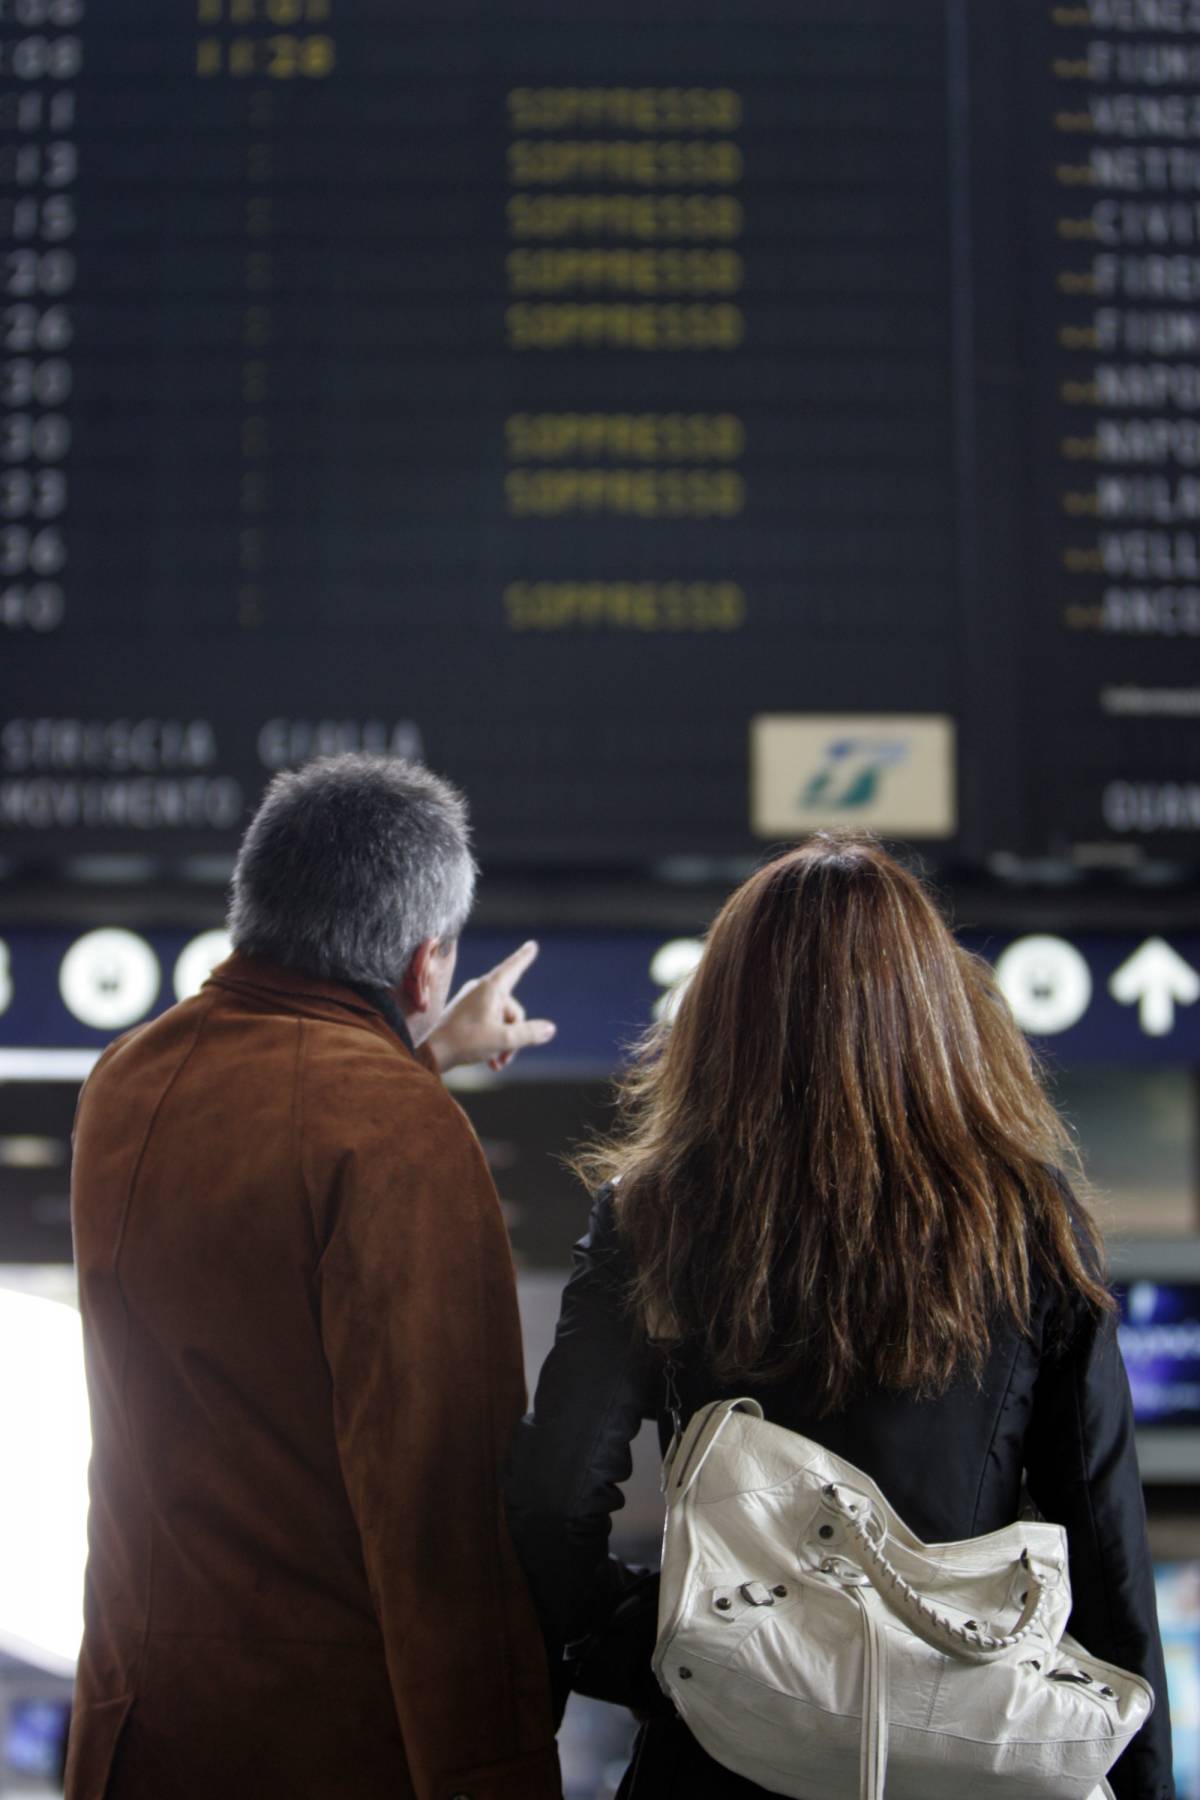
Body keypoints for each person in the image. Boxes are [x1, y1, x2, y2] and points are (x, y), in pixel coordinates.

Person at [505, 833, 1174, 1800]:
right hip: (967, 1757)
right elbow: (1108, 1555)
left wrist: (676, 1657)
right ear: (932, 1009)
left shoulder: (656, 1212)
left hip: (720, 1763)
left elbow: (556, 1500)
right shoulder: (1025, 1220)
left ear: (726, 1015)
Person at [67, 753, 563, 1800]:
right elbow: (442, 1514)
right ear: (427, 966)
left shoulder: (127, 1080)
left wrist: (419, 1050)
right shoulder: (399, 1132)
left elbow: (273, 1145)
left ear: (255, 903)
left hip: (139, 1736)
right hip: (329, 1751)